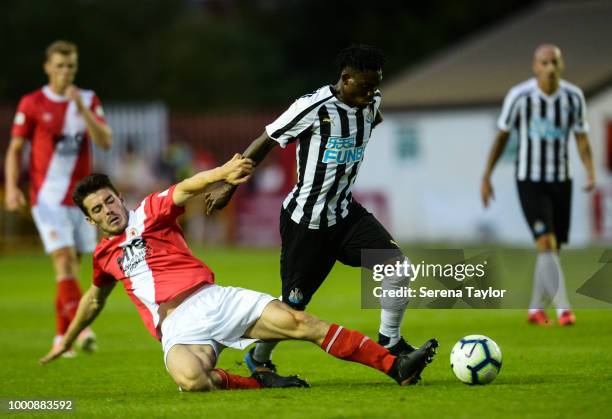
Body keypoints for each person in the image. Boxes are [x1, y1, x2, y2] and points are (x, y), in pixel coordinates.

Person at [39, 155, 438, 391]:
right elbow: (93, 300)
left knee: (302, 323)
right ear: (90, 219)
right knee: (190, 380)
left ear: (119, 197)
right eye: (98, 209)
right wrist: (66, 338)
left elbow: (185, 187)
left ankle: (394, 365)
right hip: (178, 329)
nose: (108, 210)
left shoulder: (148, 212)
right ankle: (258, 381)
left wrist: (223, 172)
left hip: (213, 299)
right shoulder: (104, 256)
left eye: (109, 200)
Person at [204, 44, 424, 375]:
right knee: (293, 306)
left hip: (346, 215)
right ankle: (259, 360)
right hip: (306, 221)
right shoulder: (312, 107)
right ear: (345, 79)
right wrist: (228, 186)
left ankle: (390, 342)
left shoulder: (370, 104)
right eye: (365, 86)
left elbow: (371, 119)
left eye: (375, 86)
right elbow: (264, 141)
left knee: (398, 269)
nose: (371, 93)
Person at [4, 40, 113, 354]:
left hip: (81, 200)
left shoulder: (88, 100)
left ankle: (60, 340)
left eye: (71, 66)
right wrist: (12, 187)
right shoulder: (33, 102)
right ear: (48, 68)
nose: (66, 72)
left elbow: (105, 140)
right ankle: (83, 330)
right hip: (47, 197)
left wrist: (80, 108)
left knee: (73, 266)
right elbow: (15, 149)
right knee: (64, 262)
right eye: (60, 66)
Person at [481, 44, 595, 326]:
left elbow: (581, 137)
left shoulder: (573, 97)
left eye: (554, 62)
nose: (550, 68)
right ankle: (564, 309)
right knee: (545, 242)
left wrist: (590, 171)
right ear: (535, 66)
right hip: (529, 180)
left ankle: (534, 308)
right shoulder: (519, 97)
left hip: (561, 179)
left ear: (562, 64)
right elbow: (502, 136)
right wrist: (487, 175)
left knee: (552, 250)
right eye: (544, 63)